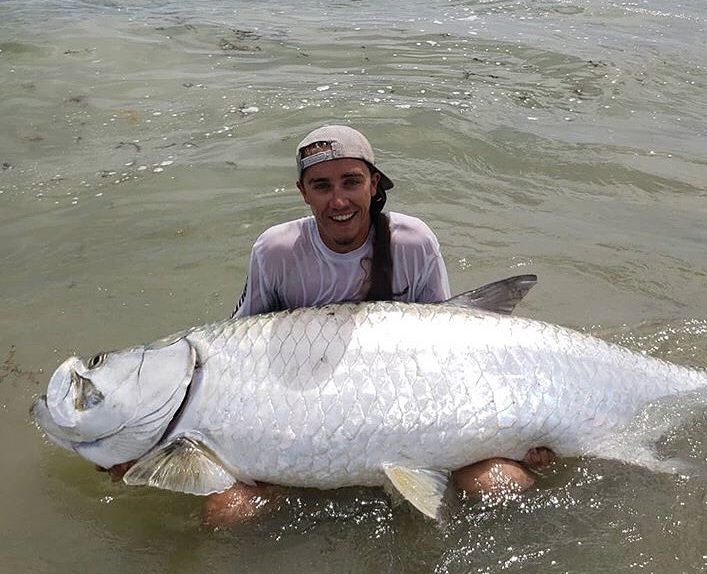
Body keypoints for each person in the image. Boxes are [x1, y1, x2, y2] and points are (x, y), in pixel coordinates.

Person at [203, 125, 554, 526]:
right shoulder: (275, 251)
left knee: (502, 484)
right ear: (303, 192)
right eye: (321, 186)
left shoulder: (413, 241)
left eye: (351, 182)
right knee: (226, 515)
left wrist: (519, 435)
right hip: (305, 428)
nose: (338, 200)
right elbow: (235, 357)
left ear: (373, 183)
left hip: (413, 414)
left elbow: (450, 350)